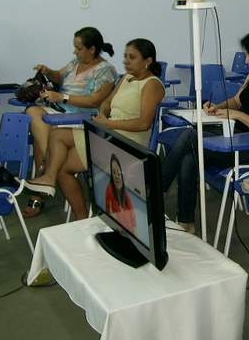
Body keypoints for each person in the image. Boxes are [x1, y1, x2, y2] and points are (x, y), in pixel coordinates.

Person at [162, 29, 249, 234]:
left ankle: (157, 189)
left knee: (189, 136)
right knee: (190, 157)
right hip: (233, 138)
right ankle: (186, 222)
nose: (247, 60)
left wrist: (238, 116)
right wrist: (218, 107)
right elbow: (237, 101)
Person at [23, 38, 165, 220]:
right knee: (59, 154)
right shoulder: (126, 78)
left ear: (148, 61)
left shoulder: (152, 84)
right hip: (109, 132)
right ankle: (57, 188)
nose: (126, 61)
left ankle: (57, 189)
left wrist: (109, 124)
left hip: (127, 142)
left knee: (59, 155)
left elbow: (144, 123)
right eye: (125, 57)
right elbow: (106, 103)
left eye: (132, 57)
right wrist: (104, 115)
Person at [26, 26, 117, 174]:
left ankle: (46, 170)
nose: (75, 52)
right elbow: (59, 76)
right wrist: (47, 71)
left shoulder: (106, 71)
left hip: (80, 116)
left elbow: (94, 101)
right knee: (33, 115)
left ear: (92, 49)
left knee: (38, 128)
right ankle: (45, 172)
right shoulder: (76, 62)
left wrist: (63, 97)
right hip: (60, 110)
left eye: (79, 49)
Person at [105, 153, 136, 233]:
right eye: (114, 173)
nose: (117, 176)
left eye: (119, 172)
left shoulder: (127, 198)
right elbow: (114, 225)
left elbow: (134, 226)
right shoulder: (110, 190)